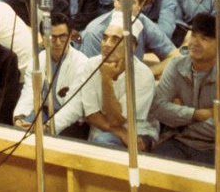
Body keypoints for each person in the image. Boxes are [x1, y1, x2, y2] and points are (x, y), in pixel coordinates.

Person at [152, 13, 220, 166]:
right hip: (176, 141)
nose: (195, 43)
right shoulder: (175, 66)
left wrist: (180, 122)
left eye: (205, 39)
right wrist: (195, 114)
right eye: (194, 36)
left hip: (218, 146)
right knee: (156, 170)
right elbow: (158, 108)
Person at [58, 16, 158, 150]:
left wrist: (106, 80)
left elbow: (117, 120)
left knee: (103, 142)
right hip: (103, 130)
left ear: (131, 47)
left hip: (137, 133)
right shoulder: (91, 65)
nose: (106, 44)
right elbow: (92, 114)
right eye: (104, 38)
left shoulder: (143, 75)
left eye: (115, 39)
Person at [13, 12, 90, 138]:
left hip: (71, 120)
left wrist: (47, 127)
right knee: (20, 132)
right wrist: (19, 117)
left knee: (51, 141)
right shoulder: (37, 60)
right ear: (43, 38)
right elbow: (29, 93)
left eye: (63, 37)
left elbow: (74, 108)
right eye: (52, 37)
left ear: (70, 36)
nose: (58, 42)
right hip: (43, 112)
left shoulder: (82, 64)